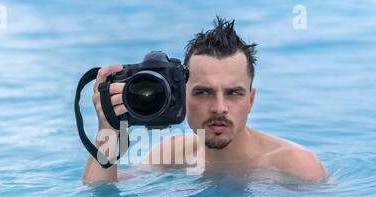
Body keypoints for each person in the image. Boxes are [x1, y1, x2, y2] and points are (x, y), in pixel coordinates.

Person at [82, 17, 326, 183]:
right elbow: (101, 193)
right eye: (203, 92)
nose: (219, 108)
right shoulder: (175, 152)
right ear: (182, 96)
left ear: (250, 100)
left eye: (233, 93)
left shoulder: (295, 166)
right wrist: (109, 130)